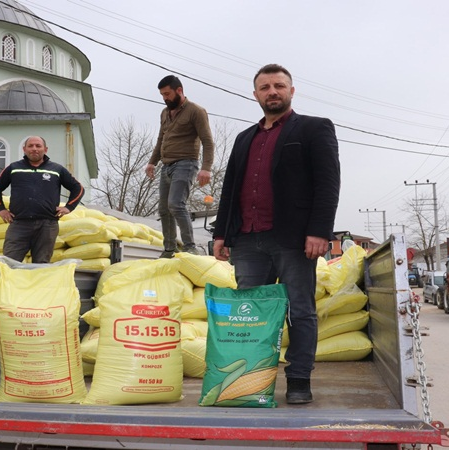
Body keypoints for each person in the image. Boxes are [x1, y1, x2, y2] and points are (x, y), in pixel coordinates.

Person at [212, 64, 341, 404]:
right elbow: (230, 190)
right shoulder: (244, 138)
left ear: (291, 91)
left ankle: (298, 379)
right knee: (251, 315)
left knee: (299, 310)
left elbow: (328, 184)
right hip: (248, 238)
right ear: (255, 94)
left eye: (279, 86)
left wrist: (319, 231)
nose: (273, 91)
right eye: (265, 87)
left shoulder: (314, 128)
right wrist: (222, 233)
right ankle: (252, 382)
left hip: (294, 238)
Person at [146, 75, 214, 258]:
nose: (165, 98)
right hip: (166, 166)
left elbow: (208, 141)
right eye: (162, 95)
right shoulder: (164, 113)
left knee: (176, 204)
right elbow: (161, 139)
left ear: (179, 91)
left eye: (167, 94)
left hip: (186, 163)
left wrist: (206, 168)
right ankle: (169, 249)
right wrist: (152, 162)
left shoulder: (196, 111)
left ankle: (190, 247)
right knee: (163, 209)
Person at [0, 136, 84, 263]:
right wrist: (1, 209)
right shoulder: (14, 168)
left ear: (45, 149)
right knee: (9, 263)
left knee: (41, 264)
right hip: (19, 224)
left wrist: (69, 207)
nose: (34, 149)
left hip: (47, 225)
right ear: (24, 149)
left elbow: (78, 188)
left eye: (38, 146)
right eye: (30, 146)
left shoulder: (57, 169)